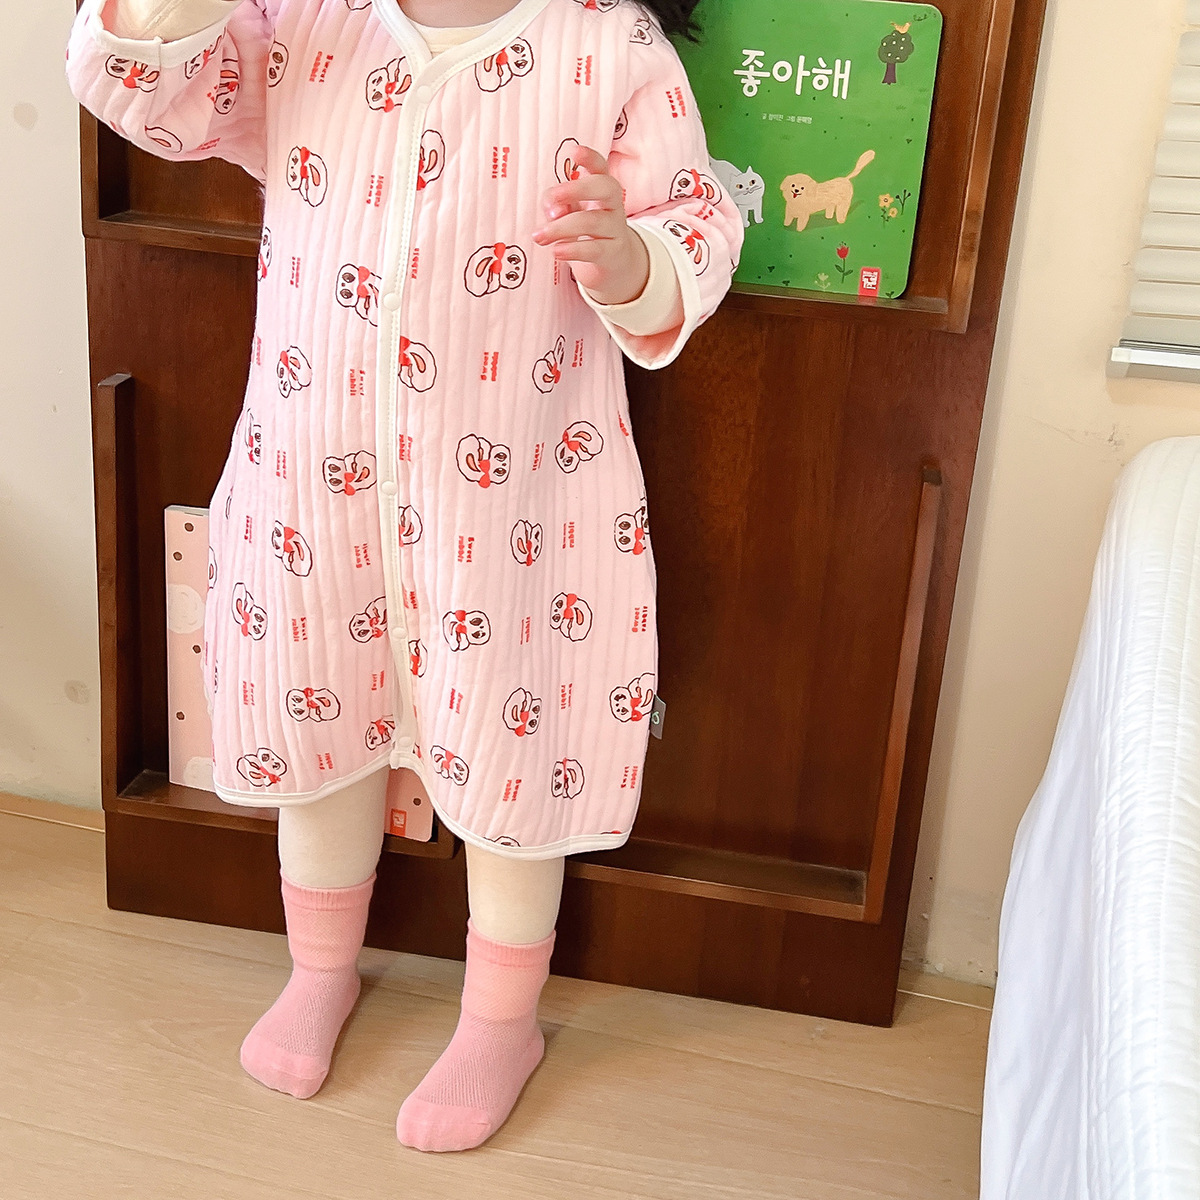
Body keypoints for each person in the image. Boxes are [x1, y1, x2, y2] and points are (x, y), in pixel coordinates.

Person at [66, 0, 741, 1152]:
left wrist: (633, 260)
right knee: (316, 715)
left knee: (516, 752)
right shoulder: (305, 18)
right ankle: (320, 968)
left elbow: (695, 221)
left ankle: (501, 1021)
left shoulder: (606, 47)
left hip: (516, 503)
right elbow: (150, 89)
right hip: (314, 486)